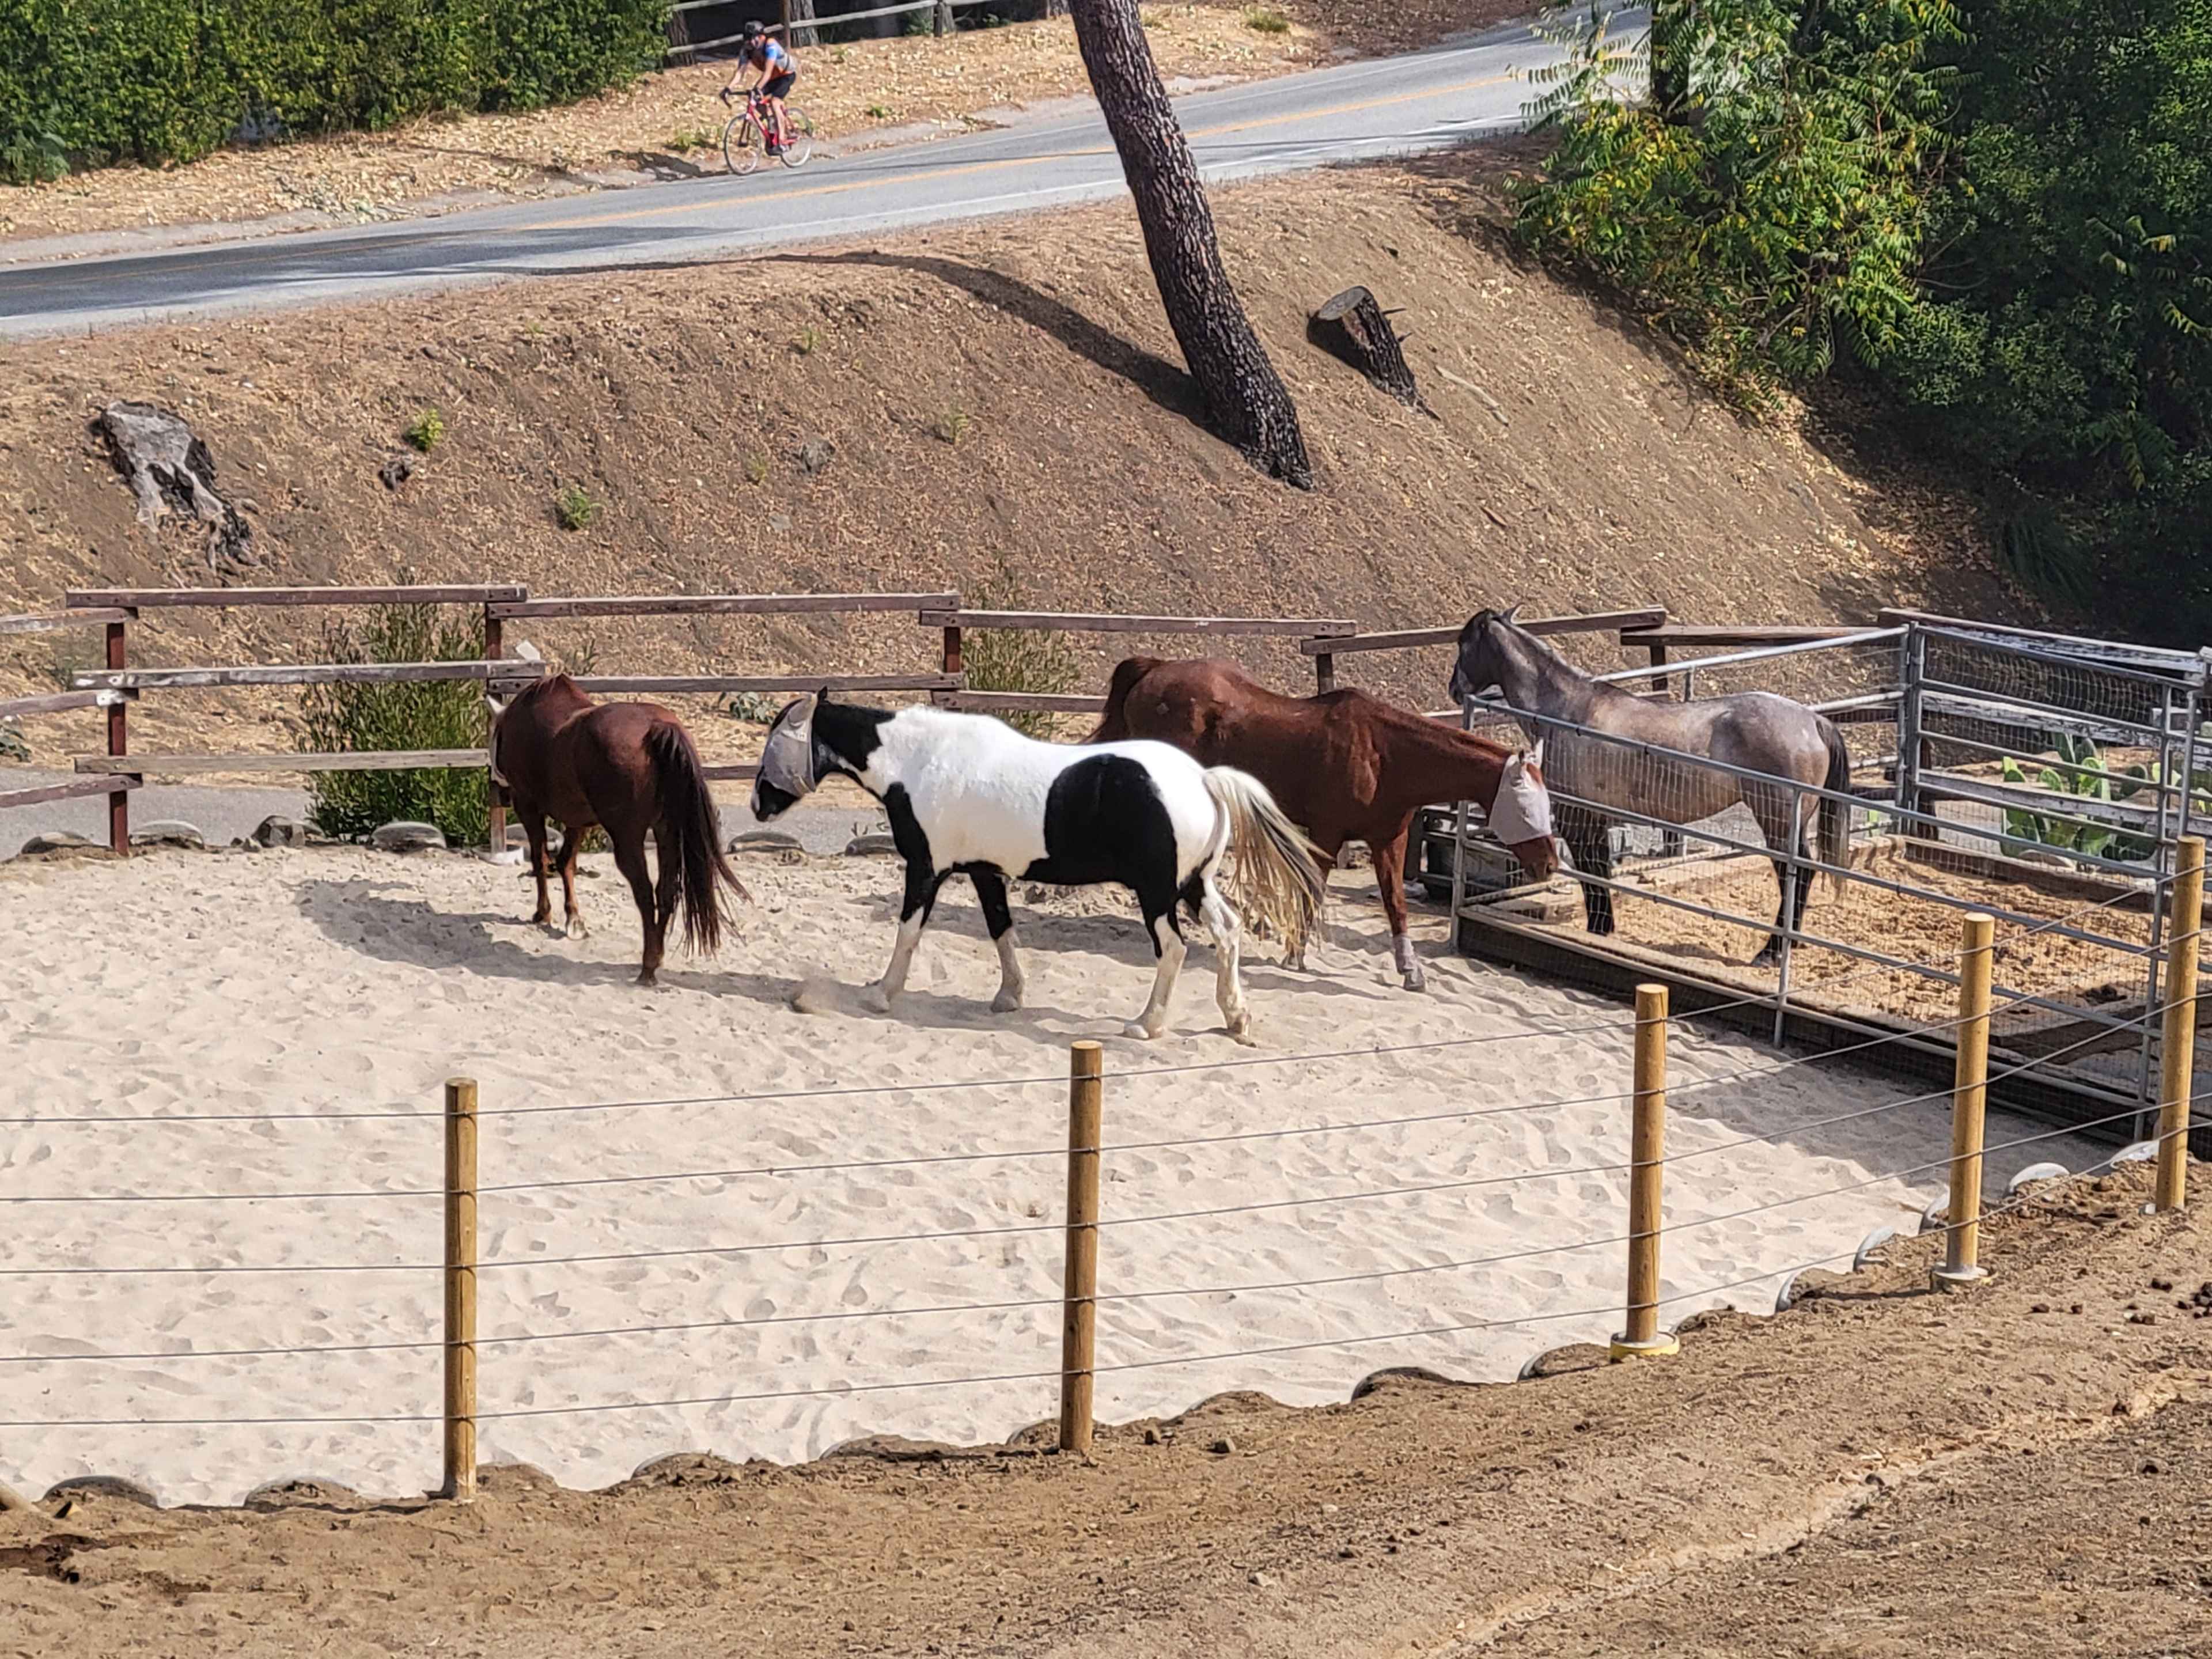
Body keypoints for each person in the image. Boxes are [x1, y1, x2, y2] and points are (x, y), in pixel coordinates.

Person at [722, 22, 799, 155]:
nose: (750, 42)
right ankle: (772, 123)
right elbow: (740, 73)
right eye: (747, 39)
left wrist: (757, 88)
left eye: (752, 38)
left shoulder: (771, 45)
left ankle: (781, 141)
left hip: (785, 76)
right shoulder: (747, 50)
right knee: (756, 102)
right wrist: (728, 88)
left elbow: (768, 72)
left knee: (775, 103)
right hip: (772, 78)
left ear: (760, 37)